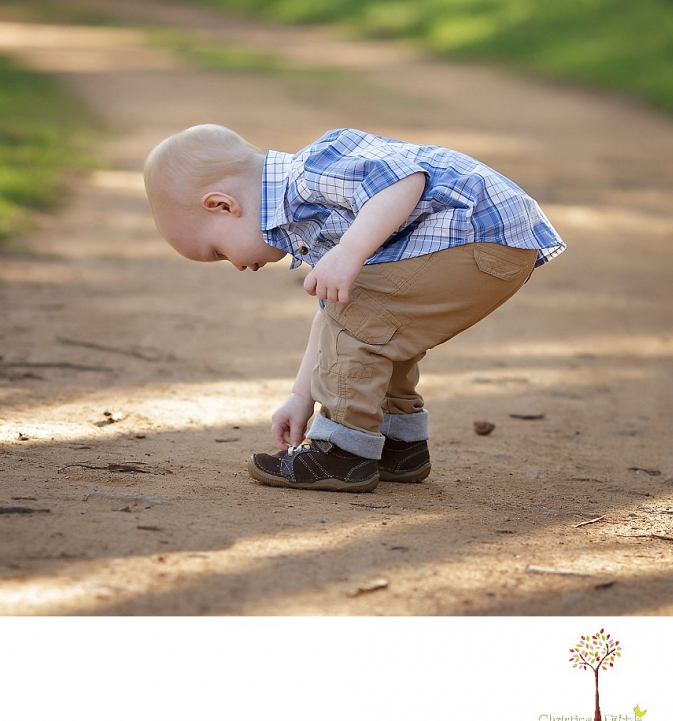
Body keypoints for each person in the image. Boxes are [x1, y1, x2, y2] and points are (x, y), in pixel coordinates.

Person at [144, 124, 566, 493]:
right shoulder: (304, 221)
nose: (236, 266)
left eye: (217, 251)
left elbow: (405, 180)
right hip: (487, 243)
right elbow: (333, 316)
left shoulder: (311, 170)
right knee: (376, 324)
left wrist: (351, 250)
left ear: (222, 205)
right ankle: (398, 443)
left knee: (364, 322)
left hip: (477, 232)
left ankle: (344, 451)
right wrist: (300, 397)